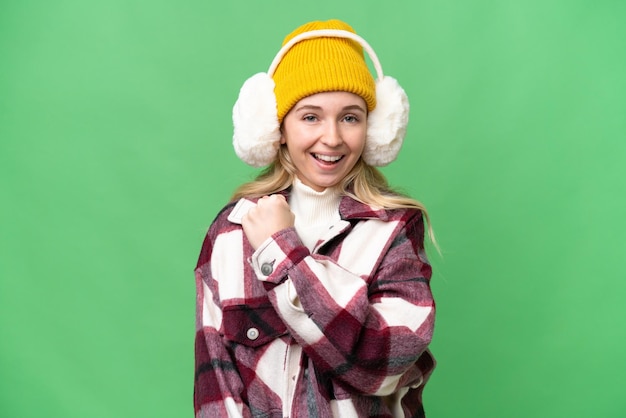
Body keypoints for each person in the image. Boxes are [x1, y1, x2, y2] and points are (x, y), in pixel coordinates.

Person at [194, 19, 436, 418]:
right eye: (310, 117)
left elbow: (384, 366)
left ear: (373, 130)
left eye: (350, 117)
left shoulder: (395, 228)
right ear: (278, 128)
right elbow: (215, 384)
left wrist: (283, 251)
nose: (333, 138)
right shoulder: (230, 231)